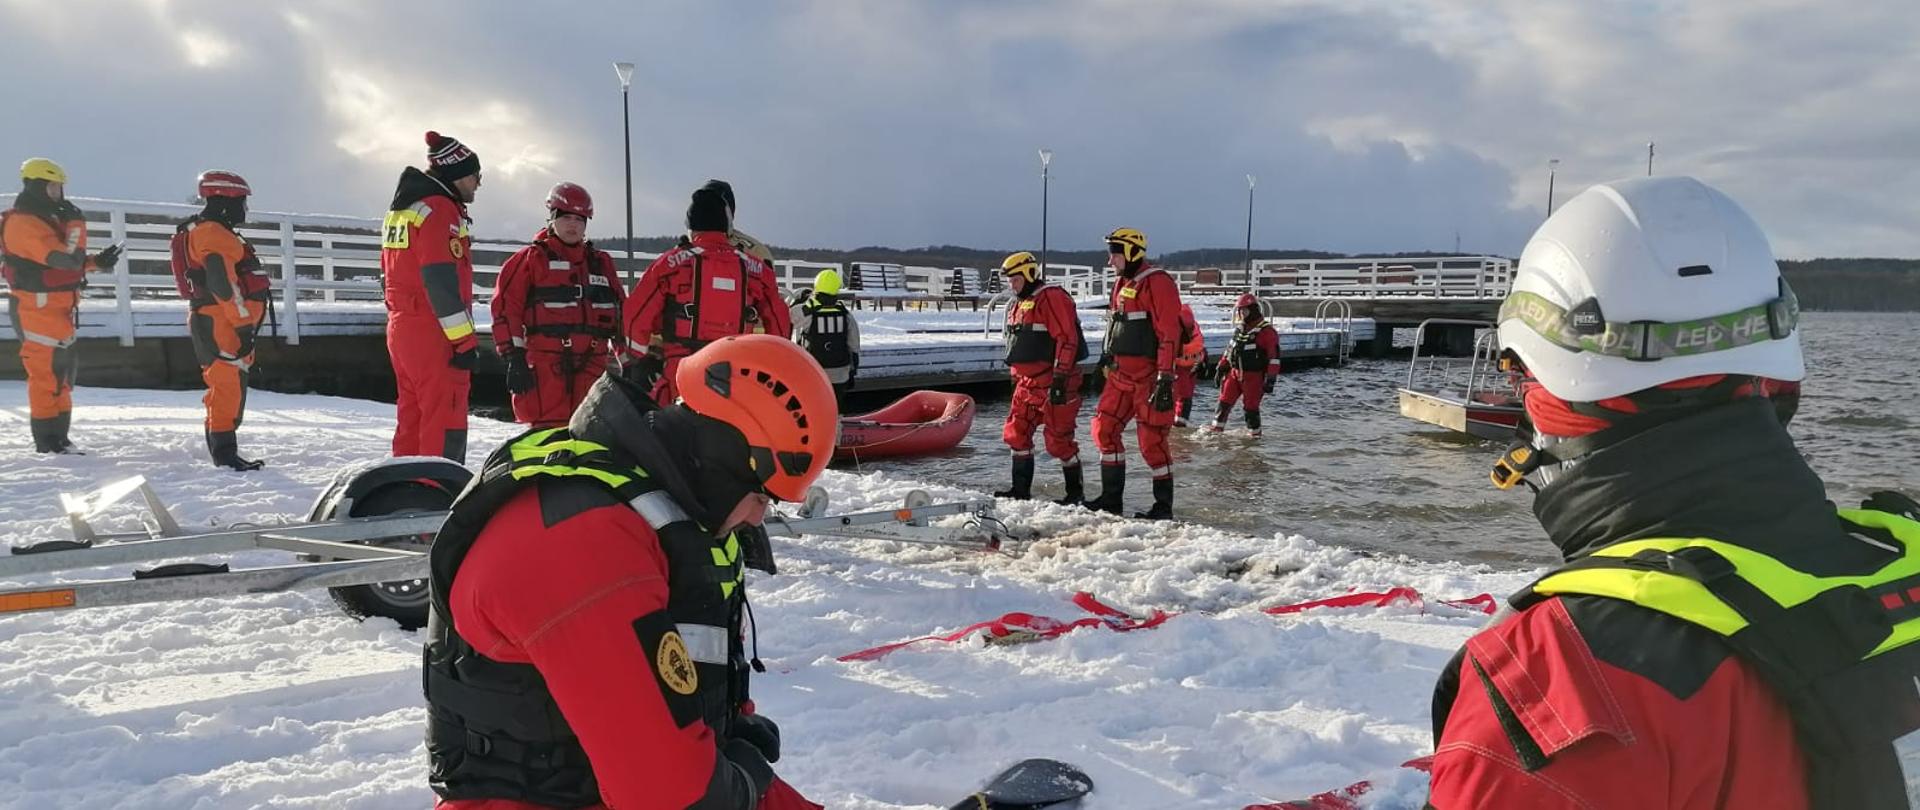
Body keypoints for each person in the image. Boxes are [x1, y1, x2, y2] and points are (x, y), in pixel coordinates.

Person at [1427, 176, 1920, 809]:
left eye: (1518, 374)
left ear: (1548, 384)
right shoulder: (1899, 550)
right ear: (1773, 370)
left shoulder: (1569, 676)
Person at [424, 334, 833, 810]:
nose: (759, 518)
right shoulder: (584, 545)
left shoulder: (653, 509)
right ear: (724, 457)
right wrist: (748, 781)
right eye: (761, 495)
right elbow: (668, 794)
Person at [623, 180, 790, 404]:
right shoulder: (756, 265)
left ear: (691, 227)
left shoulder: (671, 263)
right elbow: (779, 322)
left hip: (682, 372)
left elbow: (635, 314)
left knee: (674, 431)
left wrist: (637, 360)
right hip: (738, 374)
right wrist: (771, 364)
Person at [2, 158, 120, 454]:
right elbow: (65, 259)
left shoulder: (47, 219)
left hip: (59, 310)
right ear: (36, 186)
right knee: (46, 378)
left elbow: (66, 264)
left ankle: (61, 439)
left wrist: (95, 263)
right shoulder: (22, 223)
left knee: (63, 378)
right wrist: (77, 224)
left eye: (59, 187)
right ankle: (47, 443)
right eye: (52, 187)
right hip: (36, 310)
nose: (58, 193)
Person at [381, 131, 482, 462]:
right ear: (457, 174)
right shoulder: (440, 209)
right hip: (433, 332)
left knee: (412, 416)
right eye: (475, 175)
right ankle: (438, 493)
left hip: (402, 327)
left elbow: (389, 274)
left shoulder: (403, 209)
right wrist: (465, 342)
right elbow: (440, 281)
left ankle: (402, 491)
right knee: (444, 419)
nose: (478, 184)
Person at [491, 182, 623, 428]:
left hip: (592, 365)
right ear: (552, 218)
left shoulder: (601, 263)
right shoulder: (529, 260)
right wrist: (514, 357)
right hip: (545, 368)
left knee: (589, 432)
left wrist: (630, 362)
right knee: (546, 433)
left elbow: (621, 314)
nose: (573, 224)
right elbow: (506, 309)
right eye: (566, 217)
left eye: (580, 219)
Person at [170, 170, 271, 469]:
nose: (245, 209)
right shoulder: (214, 235)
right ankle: (225, 457)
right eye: (242, 202)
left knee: (226, 386)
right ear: (225, 201)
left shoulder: (209, 231)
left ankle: (223, 451)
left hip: (216, 321)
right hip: (221, 323)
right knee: (226, 387)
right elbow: (221, 283)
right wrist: (242, 324)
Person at [1085, 227, 1182, 520]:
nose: (1110, 261)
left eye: (1114, 253)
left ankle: (1163, 507)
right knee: (1104, 429)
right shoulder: (1121, 284)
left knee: (1151, 442)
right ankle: (1111, 499)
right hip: (1119, 375)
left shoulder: (1158, 283)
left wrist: (1165, 378)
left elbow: (1168, 333)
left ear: (1131, 252)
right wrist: (1104, 359)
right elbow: (1116, 325)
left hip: (1149, 377)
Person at [994, 251, 1087, 504]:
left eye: (1015, 279)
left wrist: (1059, 378)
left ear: (1028, 274)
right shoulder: (1019, 304)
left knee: (1059, 441)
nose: (1012, 285)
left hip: (1054, 381)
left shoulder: (1051, 298)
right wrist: (1015, 377)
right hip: (1027, 382)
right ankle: (1020, 491)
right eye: (1009, 281)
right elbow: (1017, 345)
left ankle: (1075, 494)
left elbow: (1067, 339)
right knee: (1016, 434)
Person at [1207, 293, 1279, 436]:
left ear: (1253, 310)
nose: (1241, 314)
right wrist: (1221, 367)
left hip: (1253, 376)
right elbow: (1230, 349)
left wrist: (1271, 379)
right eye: (1239, 311)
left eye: (1244, 311)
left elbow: (1274, 358)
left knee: (1250, 408)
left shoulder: (1267, 332)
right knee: (1224, 402)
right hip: (1234, 373)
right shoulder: (1240, 329)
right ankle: (1216, 432)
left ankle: (1254, 436)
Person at [789, 268, 860, 399]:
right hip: (840, 373)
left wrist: (799, 302)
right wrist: (852, 370)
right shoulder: (845, 313)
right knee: (836, 404)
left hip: (814, 371)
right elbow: (854, 344)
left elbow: (787, 320)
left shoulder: (808, 311)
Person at [1172, 303, 1204, 427]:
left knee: (1183, 398)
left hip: (1186, 366)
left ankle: (1178, 424)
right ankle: (1179, 424)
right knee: (1183, 398)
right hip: (1187, 366)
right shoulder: (1191, 324)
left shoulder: (1178, 324)